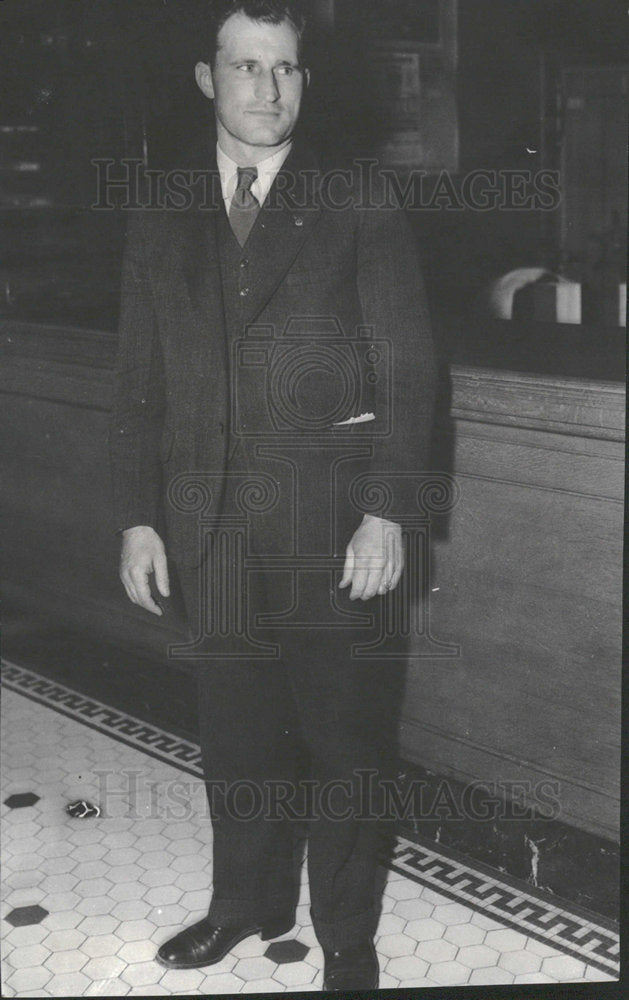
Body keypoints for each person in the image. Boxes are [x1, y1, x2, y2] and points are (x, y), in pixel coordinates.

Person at [110, 0, 436, 989]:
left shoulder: (357, 198)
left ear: (305, 81)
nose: (268, 87)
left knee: (346, 741)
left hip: (333, 525)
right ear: (207, 79)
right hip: (207, 525)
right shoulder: (160, 208)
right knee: (237, 736)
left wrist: (388, 511)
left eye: (285, 69)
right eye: (247, 66)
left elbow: (411, 367)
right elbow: (139, 381)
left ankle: (344, 932)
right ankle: (244, 903)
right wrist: (135, 515)